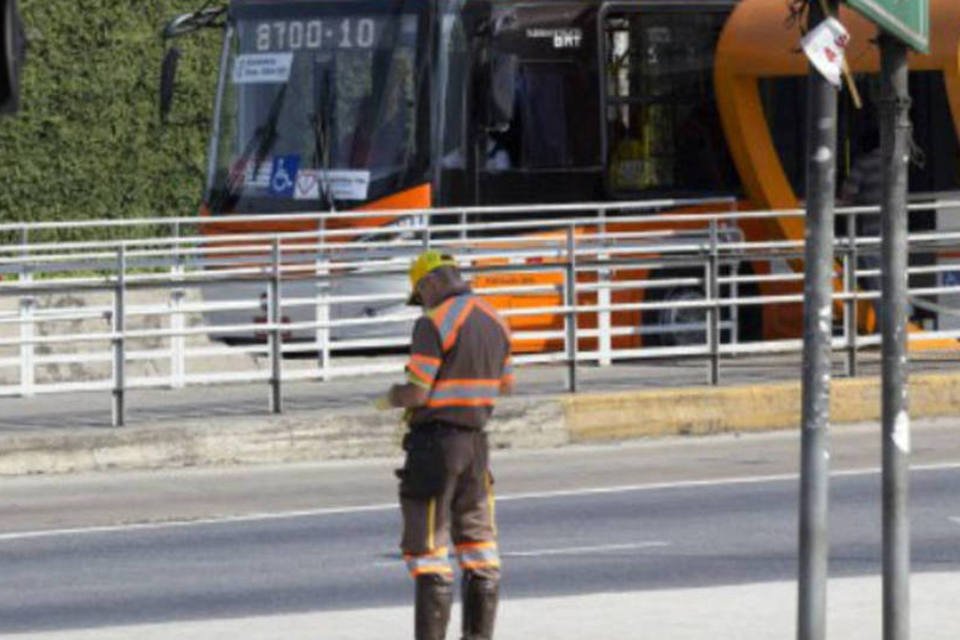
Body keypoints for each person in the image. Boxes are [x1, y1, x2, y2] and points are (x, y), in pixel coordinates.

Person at [375, 250, 514, 640]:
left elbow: (417, 394)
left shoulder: (434, 323)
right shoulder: (496, 320)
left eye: (420, 295)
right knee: (479, 547)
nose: (422, 302)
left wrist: (391, 396)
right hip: (476, 447)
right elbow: (507, 384)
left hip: (436, 449)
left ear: (430, 283)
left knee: (428, 552)